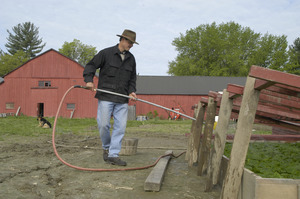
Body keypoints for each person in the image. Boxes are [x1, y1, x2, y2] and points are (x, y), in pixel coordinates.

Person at [83, 29, 138, 166]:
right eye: (129, 42)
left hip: (122, 98)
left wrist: (131, 91)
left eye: (132, 43)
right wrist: (89, 80)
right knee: (103, 125)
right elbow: (90, 66)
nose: (131, 45)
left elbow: (132, 78)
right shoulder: (106, 53)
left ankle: (113, 154)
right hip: (106, 96)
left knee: (120, 127)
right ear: (122, 40)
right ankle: (107, 148)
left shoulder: (131, 59)